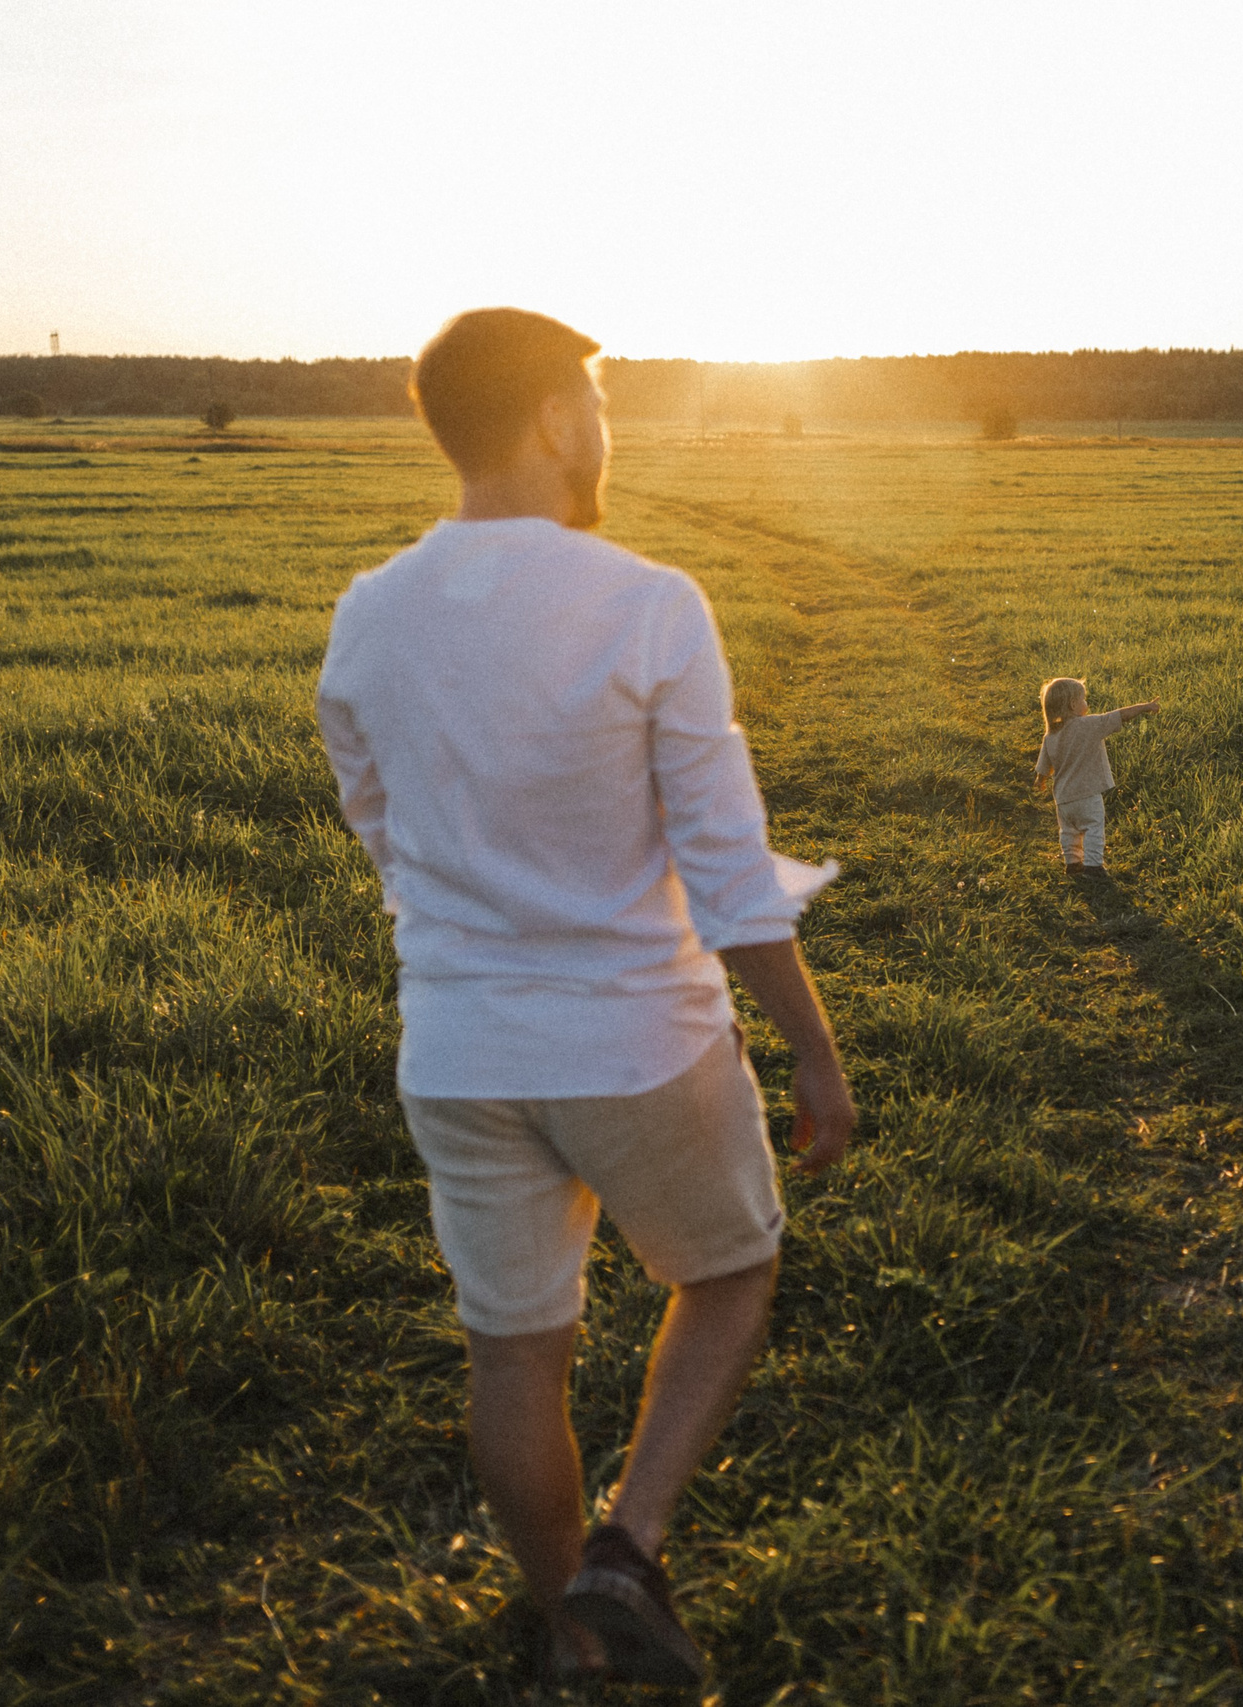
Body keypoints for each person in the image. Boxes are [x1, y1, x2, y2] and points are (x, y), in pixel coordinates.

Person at [315, 308, 856, 1686]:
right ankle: (633, 1541)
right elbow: (732, 874)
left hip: (454, 1040)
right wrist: (811, 1047)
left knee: (516, 1346)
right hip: (634, 1037)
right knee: (730, 1271)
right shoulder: (646, 603)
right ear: (556, 419)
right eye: (597, 406)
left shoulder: (370, 611)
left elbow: (376, 818)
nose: (604, 433)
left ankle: (571, 1628)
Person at [1033, 676, 1158, 872]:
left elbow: (1043, 768)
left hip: (1063, 799)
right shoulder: (1089, 725)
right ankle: (1093, 866)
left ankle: (1072, 863)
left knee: (1068, 832)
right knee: (1093, 827)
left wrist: (1040, 781)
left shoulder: (1051, 735)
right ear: (1074, 705)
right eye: (1084, 699)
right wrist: (1145, 706)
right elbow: (1121, 715)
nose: (1087, 704)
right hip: (1087, 794)